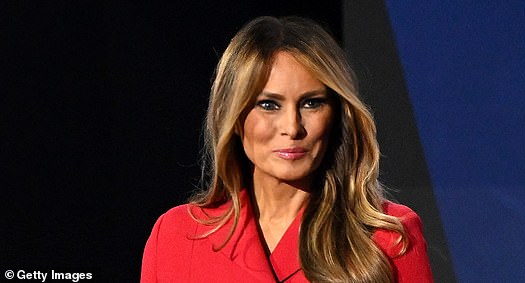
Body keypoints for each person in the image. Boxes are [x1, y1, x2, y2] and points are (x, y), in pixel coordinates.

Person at [141, 16, 433, 283]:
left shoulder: (389, 237)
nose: (292, 128)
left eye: (312, 103)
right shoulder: (177, 236)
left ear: (337, 114)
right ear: (234, 116)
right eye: (269, 105)